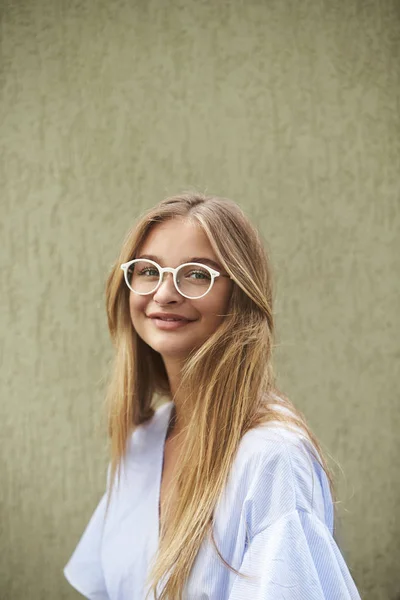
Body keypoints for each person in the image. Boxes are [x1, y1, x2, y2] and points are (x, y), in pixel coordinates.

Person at [64, 192, 361, 600]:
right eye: (149, 271)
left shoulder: (271, 459)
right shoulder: (140, 445)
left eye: (197, 275)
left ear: (239, 294)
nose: (165, 293)